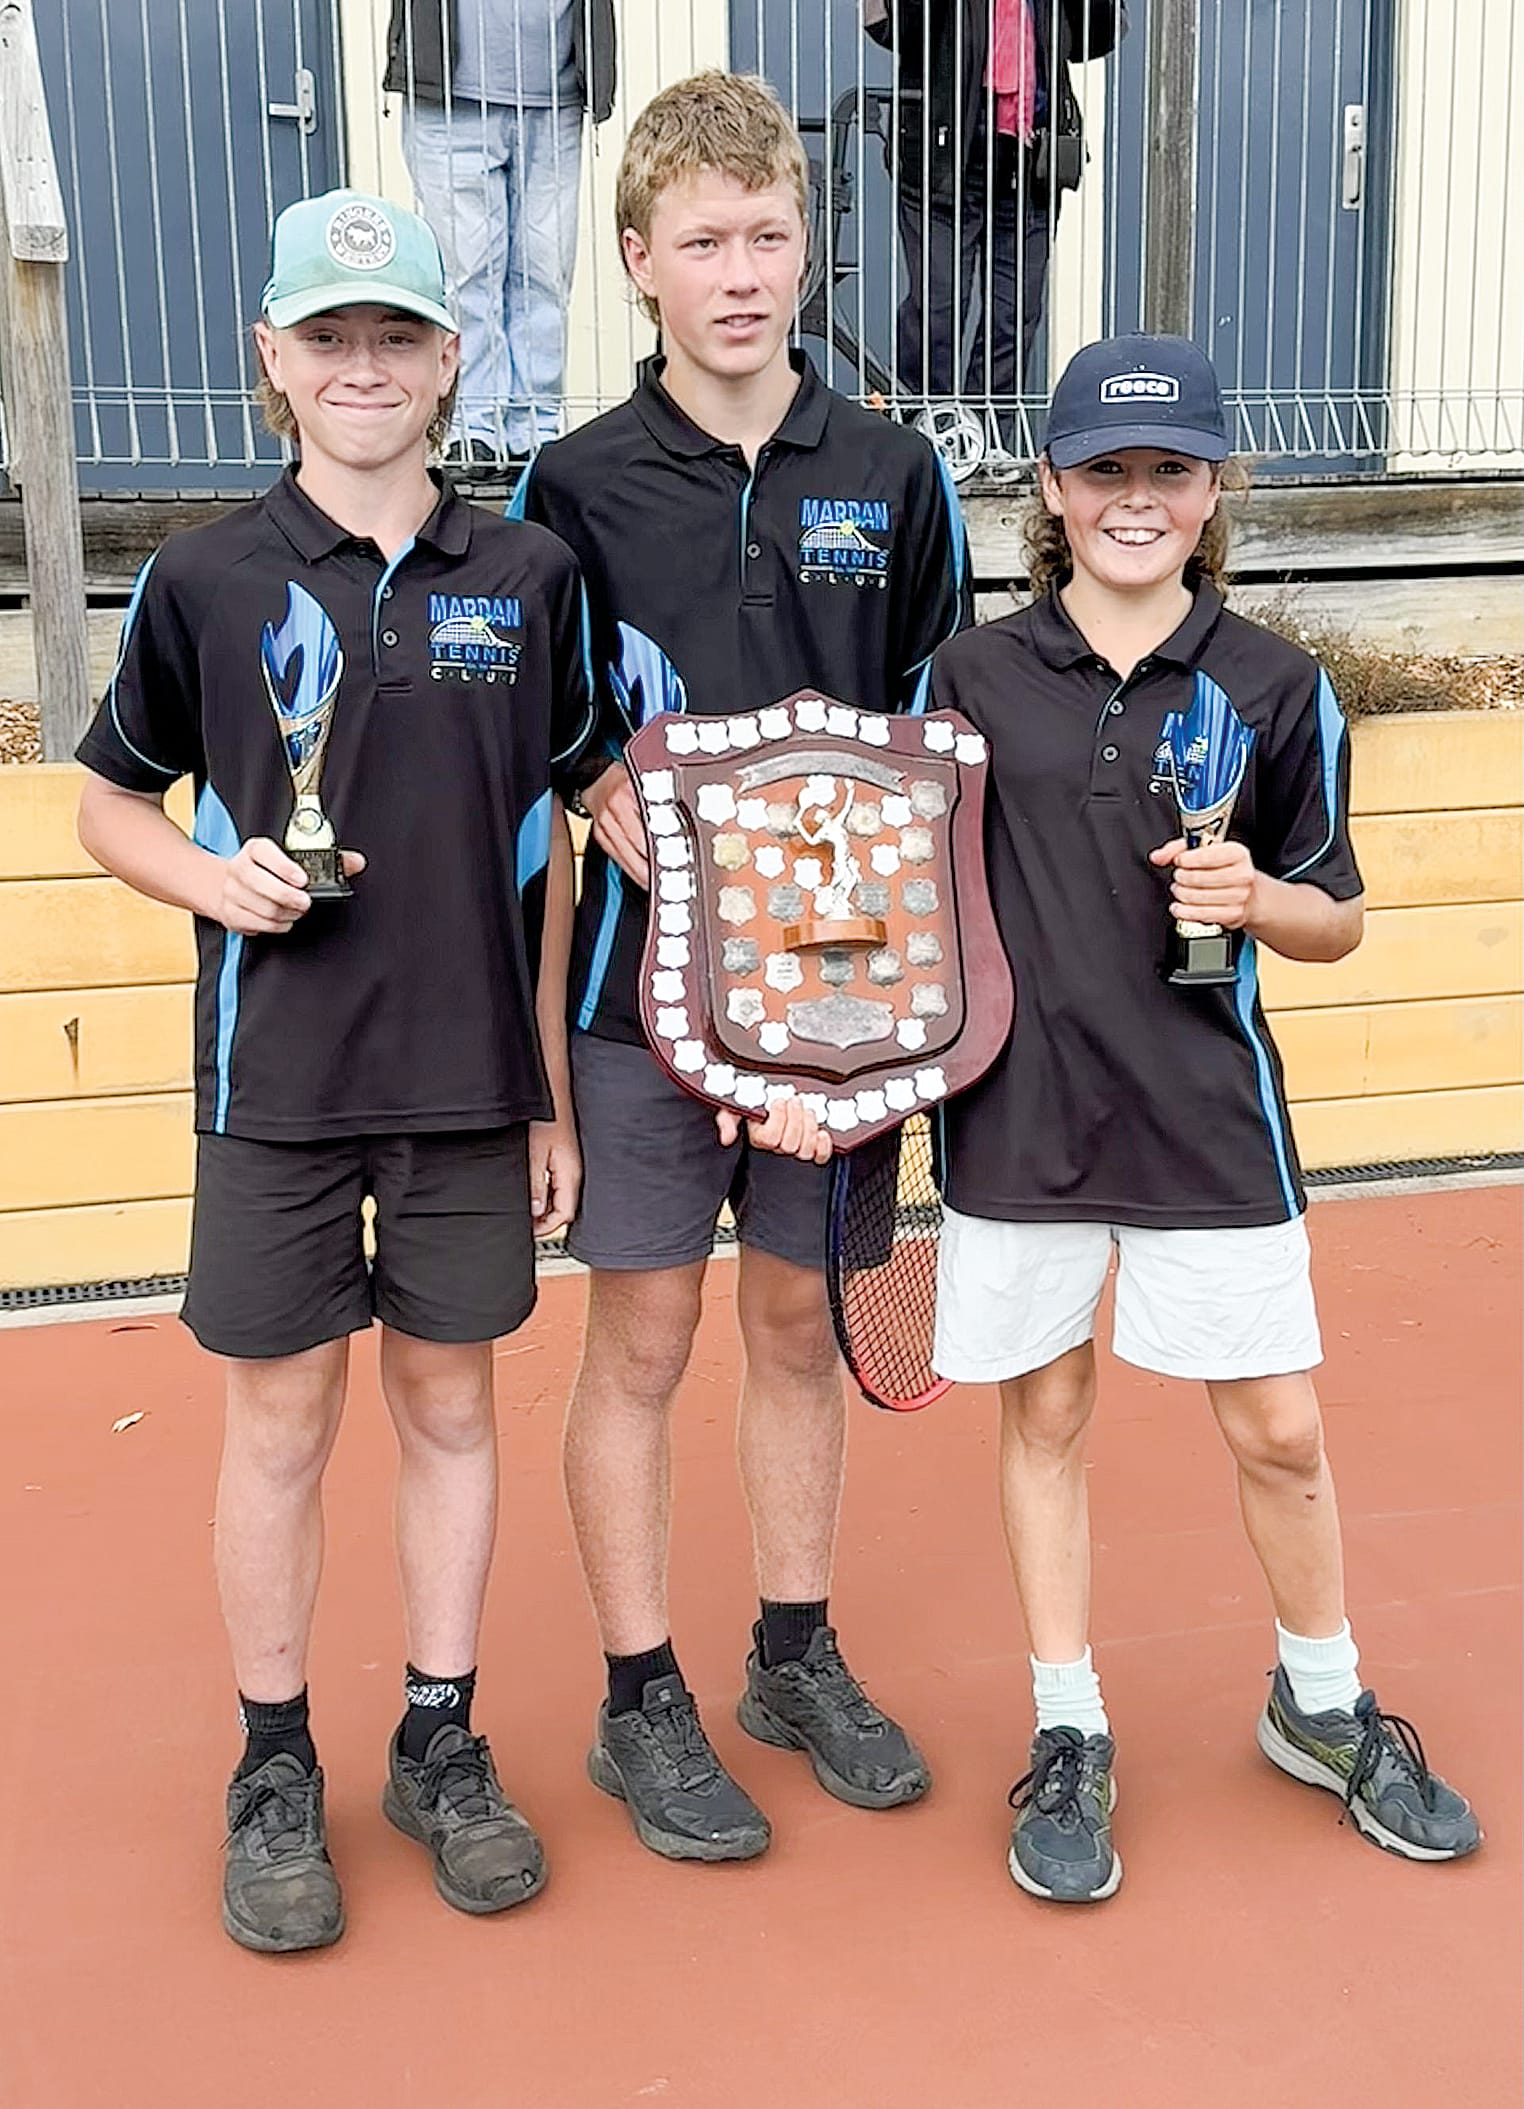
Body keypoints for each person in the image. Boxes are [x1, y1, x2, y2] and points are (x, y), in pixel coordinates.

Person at [74, 189, 609, 1952]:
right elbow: (104, 800)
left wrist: (543, 1078)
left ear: (450, 360)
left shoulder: (527, 578)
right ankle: (274, 1754)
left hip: (465, 1082)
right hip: (276, 1082)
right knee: (284, 1420)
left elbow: (561, 847)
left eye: (395, 336)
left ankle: (440, 1736)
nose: (362, 367)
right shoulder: (202, 577)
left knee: (452, 1408)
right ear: (272, 363)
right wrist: (209, 876)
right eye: (329, 338)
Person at [926, 332, 1481, 1901]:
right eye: (1104, 468)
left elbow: (1340, 920)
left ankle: (1320, 1698)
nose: (1135, 498)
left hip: (1207, 1117)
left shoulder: (1278, 684)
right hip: (1020, 1122)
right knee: (1044, 1416)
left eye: (1169, 471)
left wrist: (1260, 899)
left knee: (1282, 1427)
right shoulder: (966, 679)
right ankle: (1070, 1723)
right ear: (1050, 488)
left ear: (1215, 489)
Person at [514, 70, 971, 1863]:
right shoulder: (570, 482)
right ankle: (640, 1695)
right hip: (640, 1001)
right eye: (698, 241)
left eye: (766, 234)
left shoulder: (892, 472)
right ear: (637, 261)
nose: (738, 272)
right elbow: (541, 728)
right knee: (639, 1329)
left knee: (792, 1320)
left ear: (804, 243)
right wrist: (584, 771)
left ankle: (793, 1646)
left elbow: (943, 718)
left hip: (843, 998)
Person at [865, 1, 1124, 422]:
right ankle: (919, 436)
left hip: (1028, 157)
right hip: (940, 157)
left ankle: (985, 443)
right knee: (937, 309)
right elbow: (892, 31)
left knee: (1013, 317)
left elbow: (1095, 37)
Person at [384, 0, 617, 465]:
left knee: (545, 272)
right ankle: (474, 428)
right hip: (450, 96)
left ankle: (537, 430)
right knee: (468, 273)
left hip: (557, 96)